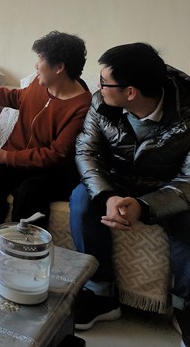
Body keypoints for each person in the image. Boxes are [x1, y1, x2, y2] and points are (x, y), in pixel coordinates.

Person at [69, 43, 190, 339]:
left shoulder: (187, 111)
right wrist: (107, 196)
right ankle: (100, 295)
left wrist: (145, 206)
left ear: (131, 92)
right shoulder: (101, 103)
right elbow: (86, 152)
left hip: (168, 185)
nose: (98, 88)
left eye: (104, 82)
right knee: (81, 200)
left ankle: (185, 306)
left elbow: (189, 179)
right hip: (117, 180)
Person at [0, 31, 91, 229]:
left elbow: (56, 154)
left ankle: (23, 245)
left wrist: (6, 157)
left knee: (30, 191)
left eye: (40, 59)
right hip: (19, 160)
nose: (36, 65)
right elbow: (18, 97)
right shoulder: (40, 83)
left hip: (51, 171)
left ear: (59, 68)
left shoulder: (81, 106)